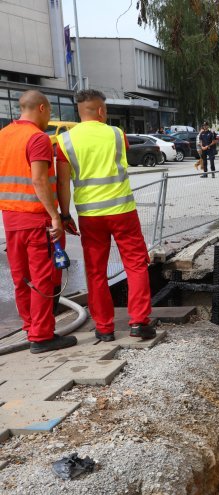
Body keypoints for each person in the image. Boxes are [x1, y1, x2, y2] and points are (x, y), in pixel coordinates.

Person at [55, 89, 156, 341]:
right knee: (135, 264)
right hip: (122, 211)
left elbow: (62, 182)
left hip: (90, 215)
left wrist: (65, 215)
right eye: (106, 109)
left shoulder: (65, 141)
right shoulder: (116, 134)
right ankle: (139, 323)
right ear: (101, 110)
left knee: (96, 271)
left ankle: (104, 328)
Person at [0, 90, 77, 354]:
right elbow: (39, 180)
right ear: (42, 108)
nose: (50, 118)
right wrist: (56, 216)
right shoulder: (37, 138)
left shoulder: (3, 136)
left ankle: (30, 326)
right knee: (43, 278)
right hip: (37, 219)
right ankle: (42, 336)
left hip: (11, 219)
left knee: (22, 278)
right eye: (50, 112)